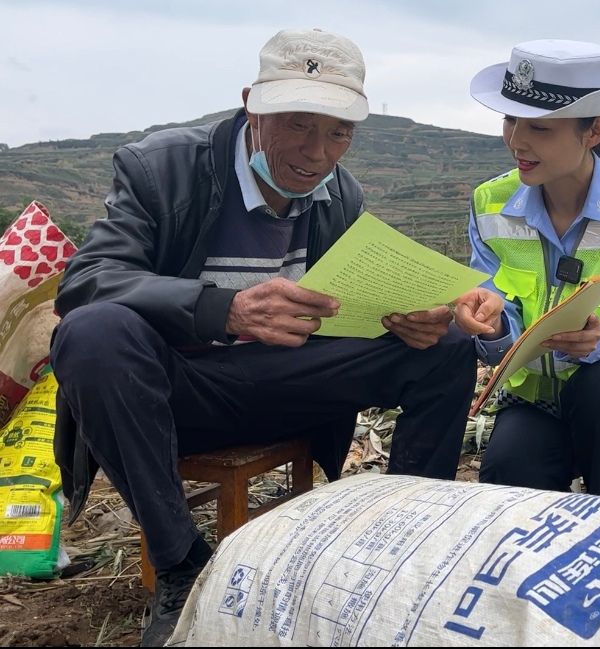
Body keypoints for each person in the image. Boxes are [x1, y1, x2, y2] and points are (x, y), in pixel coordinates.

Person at [49, 28, 501, 646]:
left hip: (283, 382)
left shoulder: (340, 194)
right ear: (252, 107)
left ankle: (400, 547)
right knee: (92, 331)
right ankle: (183, 566)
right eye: (298, 124)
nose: (316, 152)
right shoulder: (161, 168)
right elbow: (88, 281)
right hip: (174, 394)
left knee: (443, 349)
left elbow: (345, 306)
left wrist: (405, 316)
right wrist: (225, 311)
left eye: (338, 133)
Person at [464, 40, 600, 500]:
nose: (516, 141)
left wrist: (598, 341)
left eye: (539, 128)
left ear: (594, 129)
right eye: (510, 120)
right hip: (536, 402)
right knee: (508, 470)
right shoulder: (489, 203)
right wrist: (491, 322)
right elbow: (495, 320)